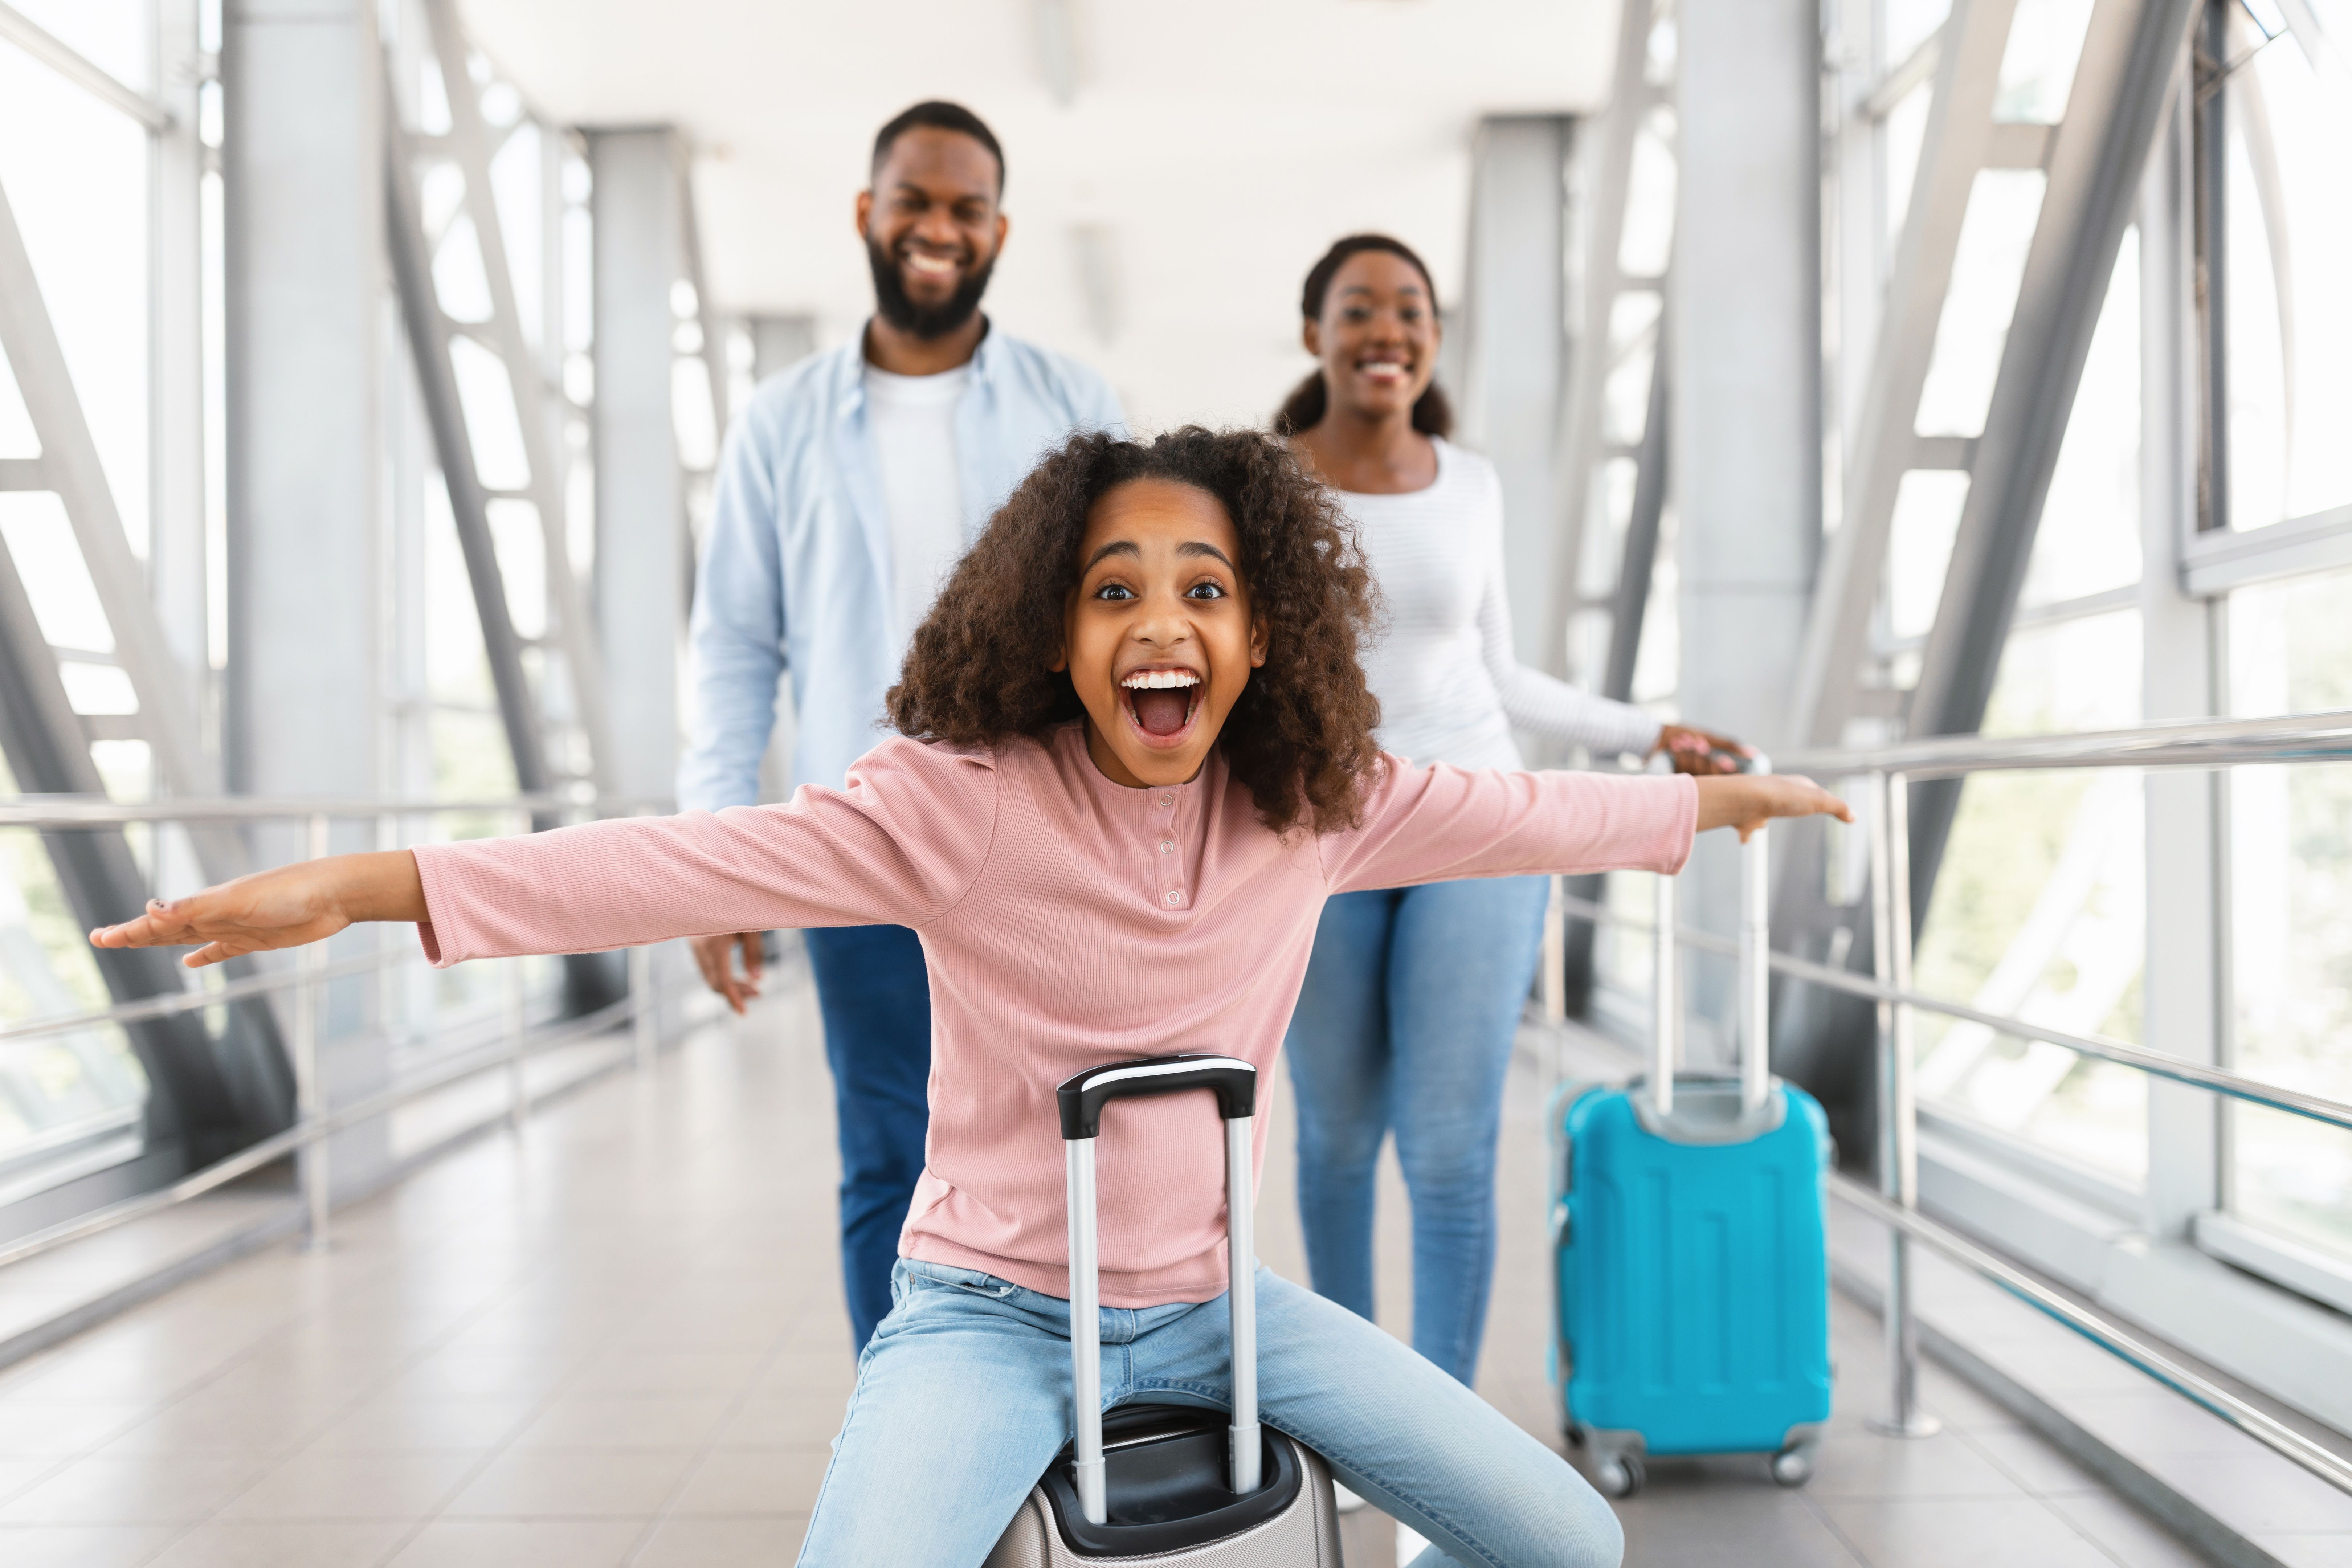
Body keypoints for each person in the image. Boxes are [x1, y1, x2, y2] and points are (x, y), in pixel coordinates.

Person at [96, 428, 1847, 1567]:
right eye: (1114, 590)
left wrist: (1719, 801)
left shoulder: (1320, 800)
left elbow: (1531, 811)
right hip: (991, 1312)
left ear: (1261, 638)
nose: (1159, 621)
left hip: (1216, 1307)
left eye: (1204, 590)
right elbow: (677, 863)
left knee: (1568, 1541)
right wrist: (366, 885)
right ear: (1053, 630)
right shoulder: (959, 804)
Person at [680, 100, 1123, 1350]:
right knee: (889, 1151)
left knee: (1061, 1146)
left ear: (1000, 231)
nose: (938, 229)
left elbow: (1132, 617)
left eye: (964, 209)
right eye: (914, 203)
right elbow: (732, 649)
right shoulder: (781, 423)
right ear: (868, 215)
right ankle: (910, 1449)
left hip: (1048, 838)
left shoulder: (1075, 404)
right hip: (863, 840)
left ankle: (1051, 1437)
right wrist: (721, 852)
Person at [1273, 234, 1749, 1385]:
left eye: (1409, 309)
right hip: (1317, 840)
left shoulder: (1470, 482)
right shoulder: (1261, 484)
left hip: (1477, 823)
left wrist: (1652, 733)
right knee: (1337, 1141)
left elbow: (1503, 677)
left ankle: (1440, 1453)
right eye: (1358, 308)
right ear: (1315, 334)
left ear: (1433, 335)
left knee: (1447, 1151)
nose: (1386, 328)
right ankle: (1347, 1417)